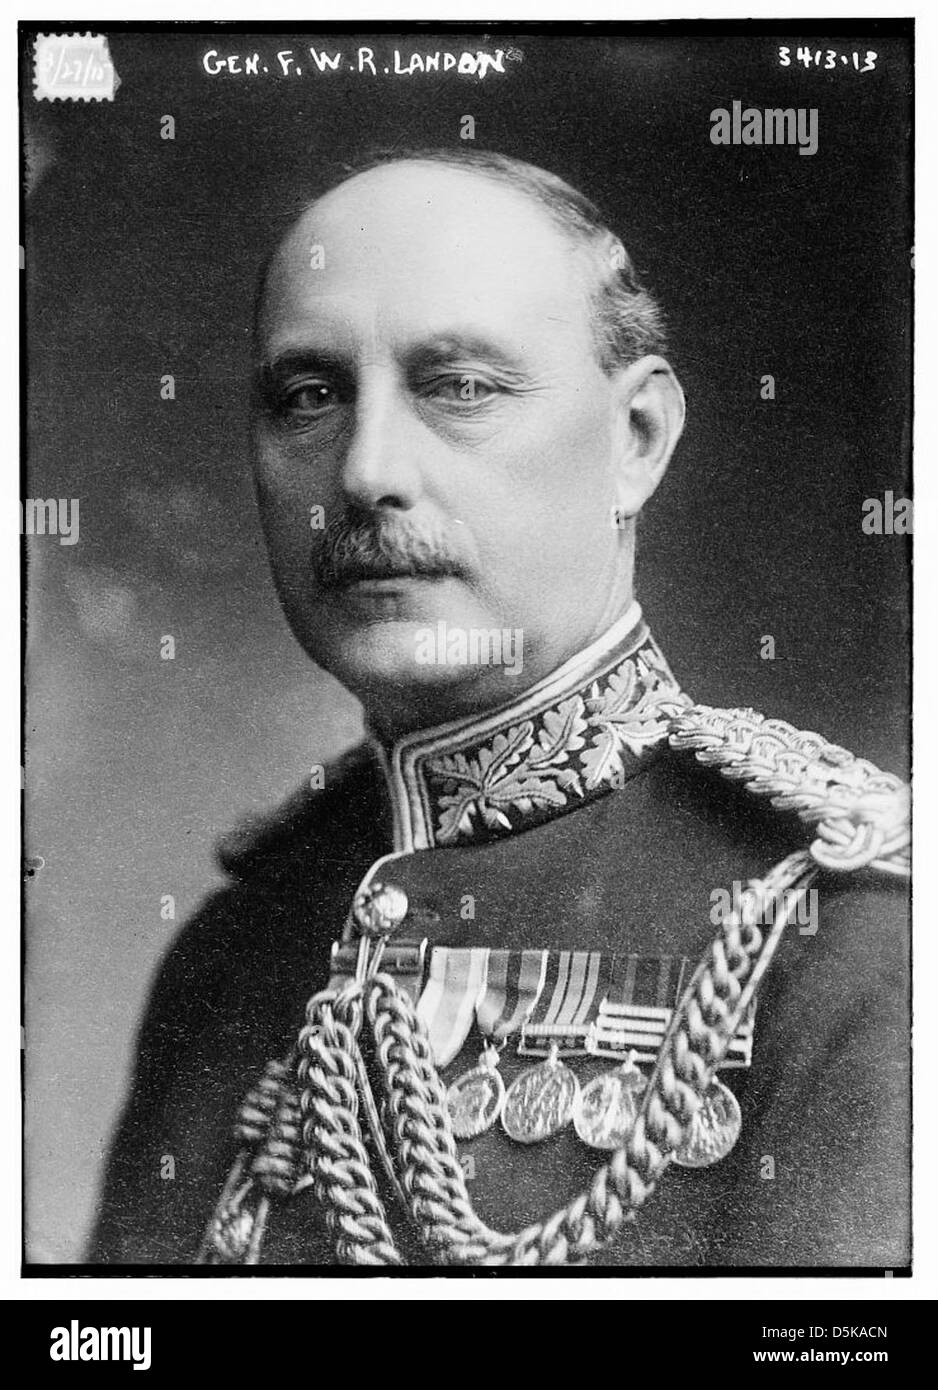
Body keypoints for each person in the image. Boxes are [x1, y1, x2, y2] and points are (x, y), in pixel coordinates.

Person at [88, 148, 910, 1269]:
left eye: (460, 387)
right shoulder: (237, 945)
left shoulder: (850, 932)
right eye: (309, 396)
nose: (367, 469)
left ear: (637, 442)